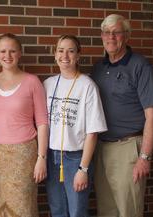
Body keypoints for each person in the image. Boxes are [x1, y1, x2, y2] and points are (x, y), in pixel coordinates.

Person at [91, 14, 153, 217]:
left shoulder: (140, 66)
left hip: (128, 149)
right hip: (101, 149)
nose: (110, 37)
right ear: (101, 36)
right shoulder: (98, 68)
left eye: (116, 32)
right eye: (106, 32)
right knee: (106, 210)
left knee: (128, 210)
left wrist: (144, 157)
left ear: (126, 36)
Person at [0, 33, 48, 217]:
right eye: (3, 51)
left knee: (23, 206)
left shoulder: (32, 82)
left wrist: (41, 158)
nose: (7, 55)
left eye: (12, 51)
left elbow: (42, 122)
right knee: (0, 207)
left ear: (19, 53)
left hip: (24, 155)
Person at [44, 35, 107, 217]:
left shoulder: (87, 86)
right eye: (61, 50)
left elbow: (92, 132)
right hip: (52, 157)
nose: (65, 55)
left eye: (71, 51)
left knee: (77, 211)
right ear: (55, 54)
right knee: (57, 210)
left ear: (78, 55)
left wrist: (83, 168)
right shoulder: (47, 84)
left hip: (76, 159)